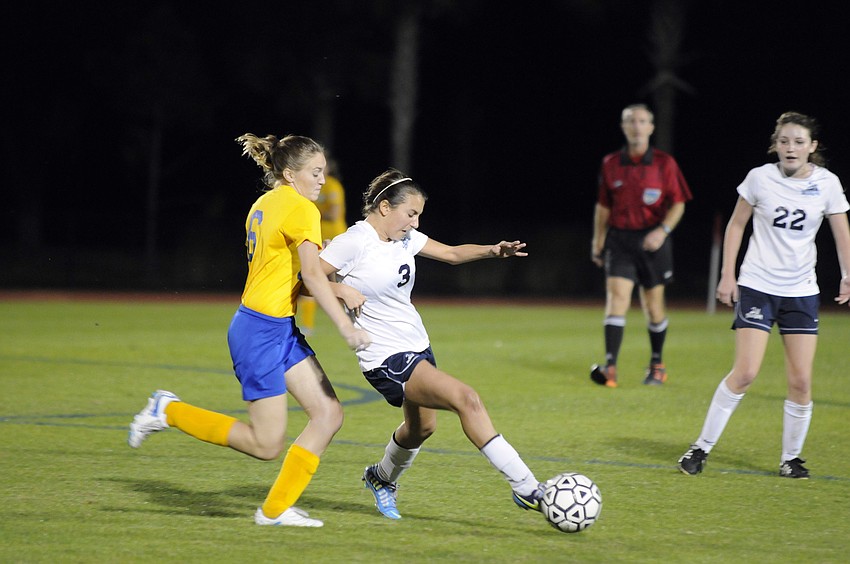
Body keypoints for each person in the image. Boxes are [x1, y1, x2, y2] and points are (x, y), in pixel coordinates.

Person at [127, 133, 371, 527]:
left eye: (324, 171)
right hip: (260, 333)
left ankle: (273, 511)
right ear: (291, 174)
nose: (323, 180)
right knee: (266, 443)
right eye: (316, 172)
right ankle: (168, 410)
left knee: (328, 414)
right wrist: (345, 325)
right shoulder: (301, 209)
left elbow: (291, 277)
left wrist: (338, 287)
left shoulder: (264, 203)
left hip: (275, 327)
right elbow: (310, 273)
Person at [318, 168, 545, 520]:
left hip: (416, 345)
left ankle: (380, 478)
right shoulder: (355, 241)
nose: (415, 222)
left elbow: (452, 254)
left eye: (418, 215)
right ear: (383, 207)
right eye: (411, 213)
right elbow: (305, 279)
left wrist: (493, 250)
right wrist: (340, 288)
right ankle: (527, 487)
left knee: (422, 427)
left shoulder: (404, 239)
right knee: (466, 399)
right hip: (385, 357)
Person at [678, 111, 850, 479]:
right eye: (785, 141)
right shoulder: (759, 178)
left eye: (799, 142)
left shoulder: (828, 184)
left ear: (812, 147)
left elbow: (841, 232)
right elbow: (737, 224)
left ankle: (791, 458)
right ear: (776, 145)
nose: (791, 148)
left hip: (801, 292)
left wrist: (848, 276)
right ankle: (700, 448)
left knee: (801, 381)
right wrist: (727, 275)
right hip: (758, 285)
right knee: (746, 373)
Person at [590, 103, 693, 387]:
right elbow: (603, 206)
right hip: (620, 240)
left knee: (653, 306)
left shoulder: (664, 163)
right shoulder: (611, 163)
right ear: (623, 127)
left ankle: (657, 364)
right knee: (617, 299)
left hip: (652, 241)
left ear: (651, 127)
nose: (636, 126)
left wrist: (662, 231)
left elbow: (679, 204)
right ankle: (610, 367)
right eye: (630, 121)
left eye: (642, 121)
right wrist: (598, 241)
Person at [297, 156, 348, 335]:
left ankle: (352, 321)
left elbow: (334, 214)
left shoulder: (332, 186)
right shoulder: (308, 189)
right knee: (309, 277)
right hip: (317, 238)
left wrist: (313, 212)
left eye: (320, 169)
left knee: (343, 280)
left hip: (335, 237)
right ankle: (307, 325)